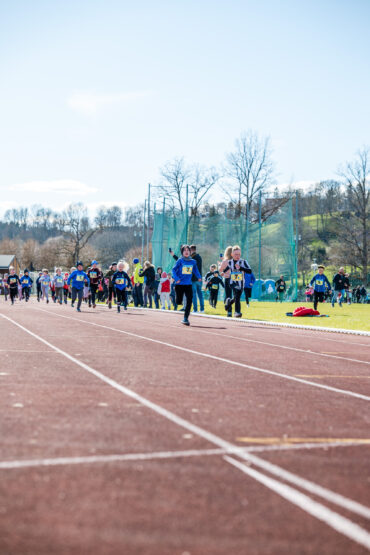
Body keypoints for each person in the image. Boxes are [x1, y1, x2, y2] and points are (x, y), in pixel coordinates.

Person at [172, 244, 202, 326]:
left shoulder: (193, 262)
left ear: (190, 252)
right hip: (179, 284)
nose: (186, 252)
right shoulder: (180, 261)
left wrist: (199, 277)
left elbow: (195, 270)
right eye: (184, 250)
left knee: (189, 300)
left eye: (188, 250)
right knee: (178, 302)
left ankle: (185, 318)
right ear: (182, 252)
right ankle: (177, 300)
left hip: (188, 284)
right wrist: (176, 278)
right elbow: (173, 270)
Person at [219, 245, 252, 318]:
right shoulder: (230, 262)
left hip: (241, 283)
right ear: (232, 254)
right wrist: (223, 272)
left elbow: (249, 271)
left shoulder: (243, 262)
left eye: (239, 254)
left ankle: (229, 302)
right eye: (236, 254)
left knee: (236, 297)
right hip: (232, 282)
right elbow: (228, 267)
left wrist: (241, 268)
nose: (237, 256)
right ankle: (237, 312)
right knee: (237, 296)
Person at [189, 245, 204, 313]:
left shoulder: (193, 258)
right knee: (200, 294)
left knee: (194, 295)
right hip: (199, 278)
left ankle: (195, 309)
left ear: (191, 250)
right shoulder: (199, 257)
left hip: (194, 279)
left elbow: (194, 268)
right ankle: (202, 309)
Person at [219, 246, 233, 317]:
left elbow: (220, 270)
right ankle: (235, 310)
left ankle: (229, 311)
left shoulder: (225, 261)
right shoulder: (235, 261)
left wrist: (220, 265)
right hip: (235, 279)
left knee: (228, 295)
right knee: (235, 295)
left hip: (227, 279)